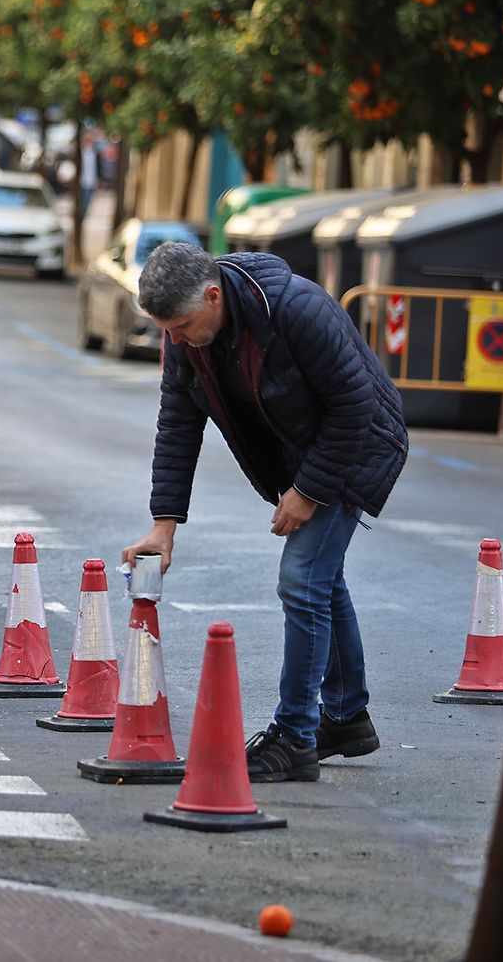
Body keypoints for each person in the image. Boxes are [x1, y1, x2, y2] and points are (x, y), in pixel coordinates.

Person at [121, 241, 407, 783]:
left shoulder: (296, 308)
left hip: (357, 445)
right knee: (322, 577)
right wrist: (164, 524)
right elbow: (178, 424)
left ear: (211, 295)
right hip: (302, 456)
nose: (175, 340)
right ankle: (345, 718)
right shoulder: (188, 338)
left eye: (180, 326)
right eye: (168, 331)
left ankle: (295, 737)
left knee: (301, 579)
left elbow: (354, 403)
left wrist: (309, 491)